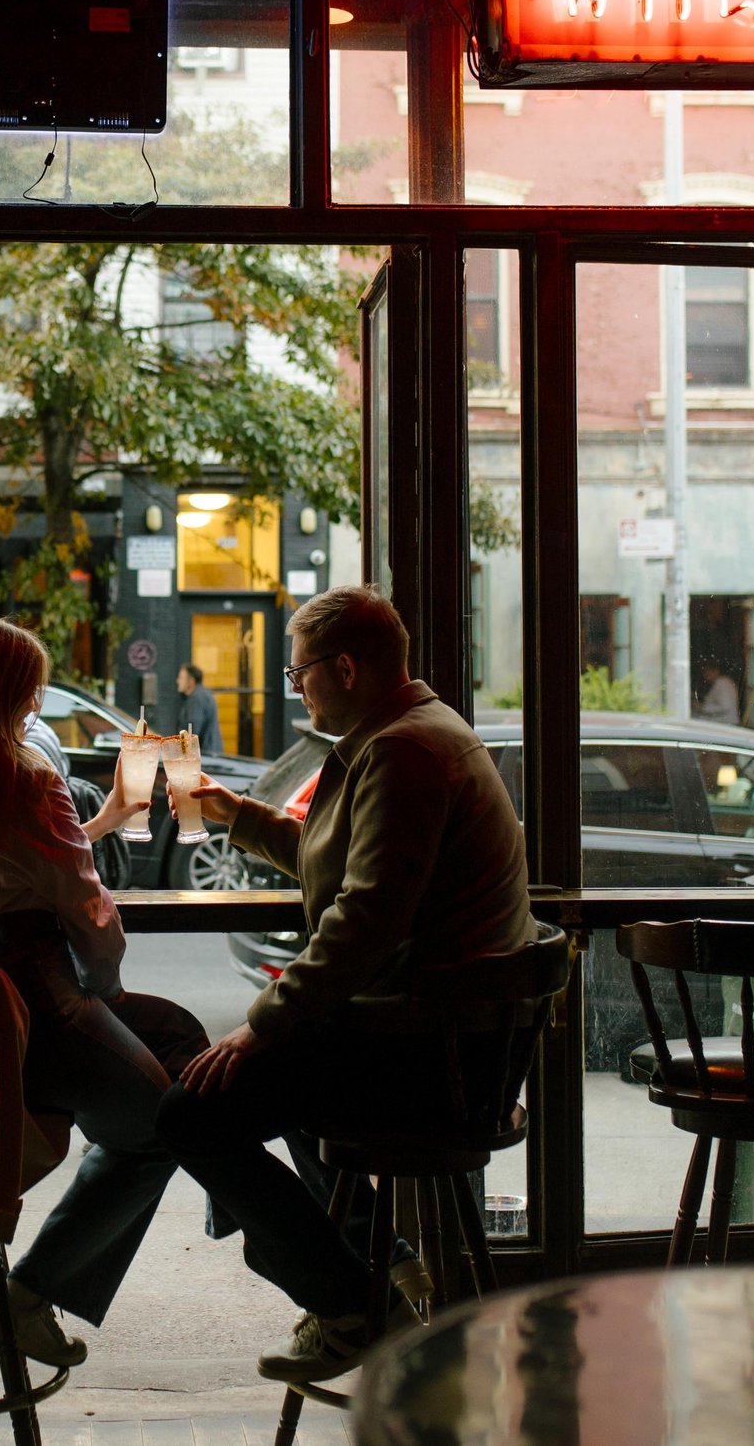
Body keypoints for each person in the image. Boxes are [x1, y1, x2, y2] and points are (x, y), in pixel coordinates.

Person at [153, 584, 533, 1384]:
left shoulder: (401, 751)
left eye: (300, 675)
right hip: (434, 1037)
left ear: (346, 667)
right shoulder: (411, 733)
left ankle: (351, 1302)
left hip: (428, 1059)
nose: (296, 688)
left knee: (191, 1113)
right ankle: (384, 1261)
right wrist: (240, 816)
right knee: (270, 1082)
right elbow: (352, 868)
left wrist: (260, 1023)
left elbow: (365, 916)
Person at [0, 615, 207, 1369]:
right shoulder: (26, 776)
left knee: (185, 1038)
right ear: (3, 691)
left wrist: (91, 826)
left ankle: (223, 1192)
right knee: (167, 1117)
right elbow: (89, 911)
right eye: (27, 689)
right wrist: (106, 989)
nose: (34, 705)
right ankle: (30, 1293)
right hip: (24, 1012)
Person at [177, 663, 222, 752]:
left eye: (181, 678)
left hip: (204, 754)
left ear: (191, 681)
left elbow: (192, 730)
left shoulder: (196, 698)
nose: (178, 681)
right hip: (211, 751)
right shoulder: (203, 694)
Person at [695, 655, 742, 724]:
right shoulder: (723, 682)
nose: (705, 677)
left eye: (707, 673)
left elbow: (725, 706)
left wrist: (702, 707)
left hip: (726, 722)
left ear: (715, 671)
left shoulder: (722, 683)